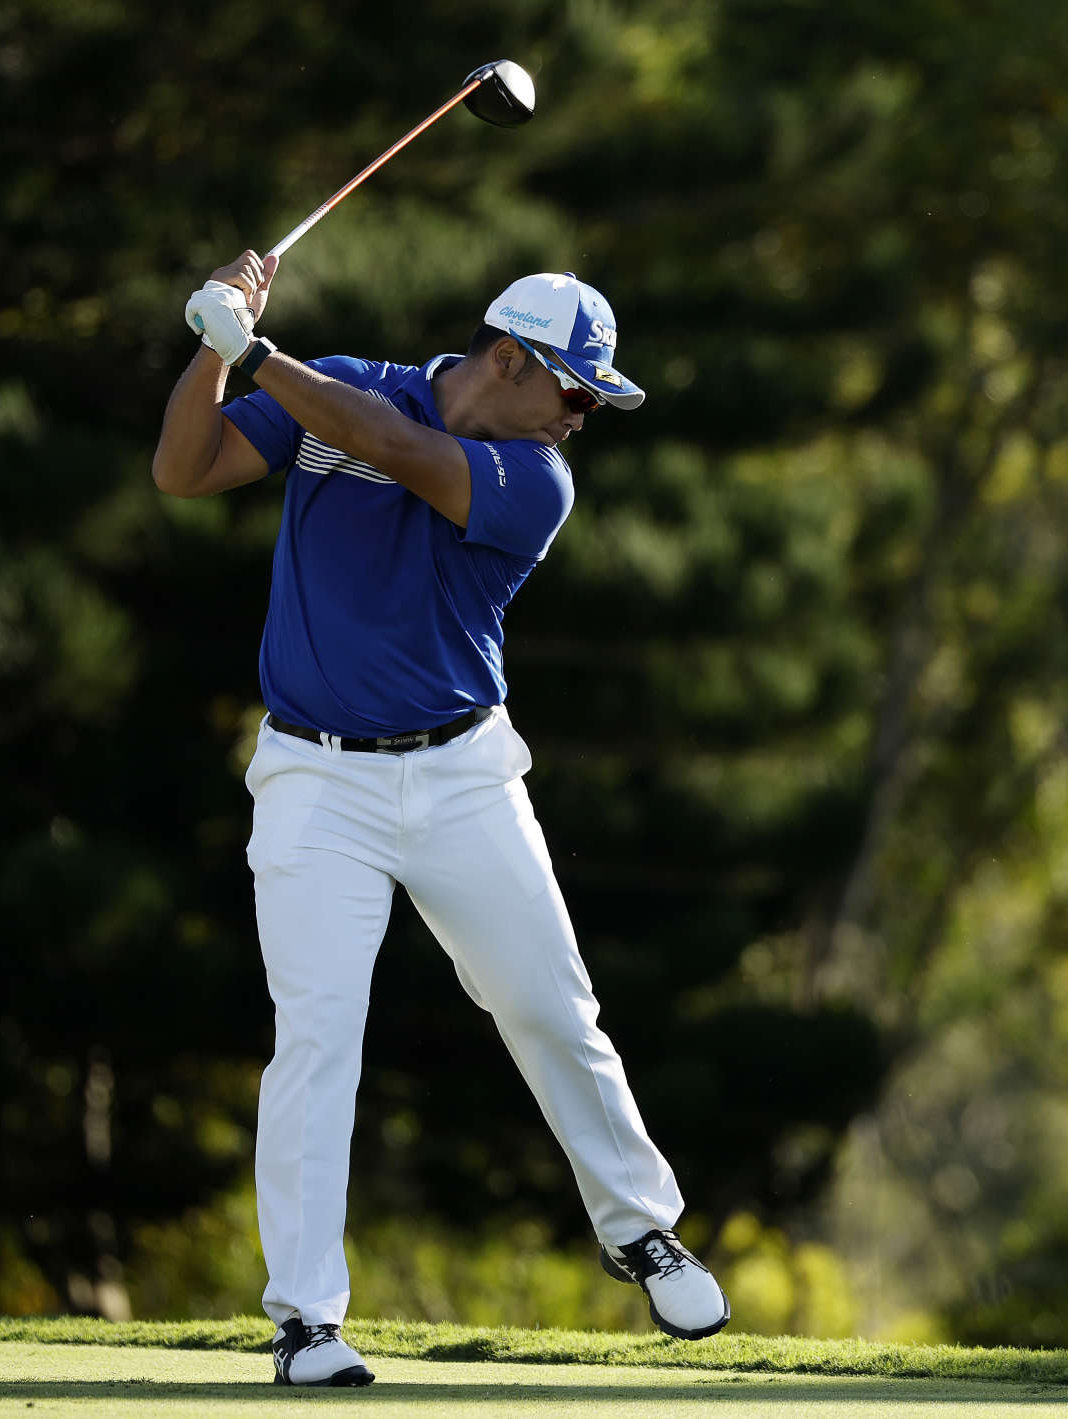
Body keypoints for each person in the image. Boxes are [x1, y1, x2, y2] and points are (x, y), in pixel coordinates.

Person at [152, 251, 730, 1387]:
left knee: (551, 1005)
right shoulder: (346, 386)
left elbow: (396, 449)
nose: (580, 419)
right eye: (574, 391)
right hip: (316, 780)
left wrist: (257, 350)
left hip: (464, 777)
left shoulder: (534, 480)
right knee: (317, 1039)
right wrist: (211, 350)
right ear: (508, 359)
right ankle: (307, 1321)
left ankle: (637, 1228)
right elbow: (188, 468)